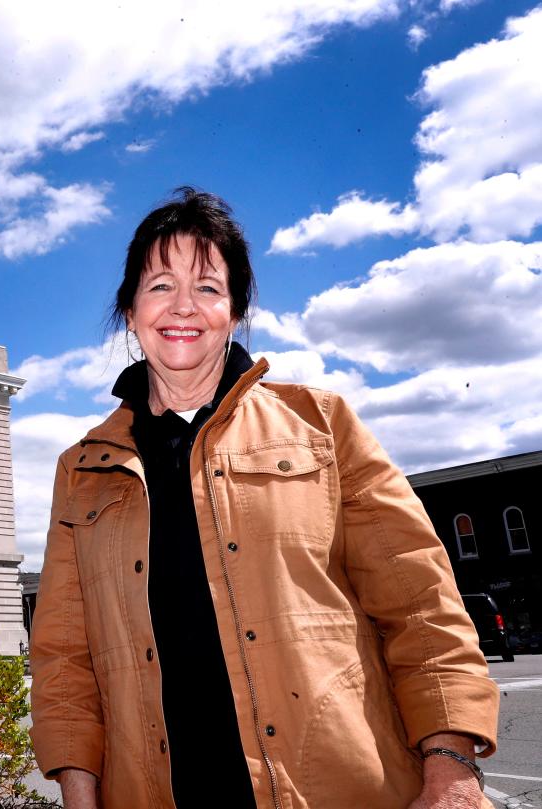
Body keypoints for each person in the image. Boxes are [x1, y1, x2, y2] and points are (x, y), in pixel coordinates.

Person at [29, 188, 499, 809]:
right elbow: (64, 656)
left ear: (235, 309)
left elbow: (421, 605)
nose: (182, 307)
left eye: (207, 287)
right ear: (130, 308)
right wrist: (78, 793)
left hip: (339, 787)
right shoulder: (83, 469)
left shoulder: (324, 425)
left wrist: (452, 772)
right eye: (160, 285)